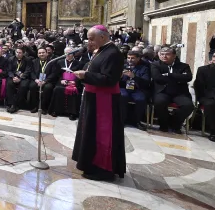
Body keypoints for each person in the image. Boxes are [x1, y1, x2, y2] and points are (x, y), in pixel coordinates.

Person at [72, 25, 126, 181]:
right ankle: (89, 164)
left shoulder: (113, 53)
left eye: (91, 38)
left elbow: (109, 79)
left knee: (102, 135)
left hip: (105, 101)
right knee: (90, 131)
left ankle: (102, 169)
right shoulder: (102, 50)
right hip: (94, 97)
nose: (89, 42)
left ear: (102, 37)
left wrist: (85, 75)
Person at [151, 46, 193, 133]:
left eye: (167, 54)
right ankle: (164, 124)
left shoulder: (183, 66)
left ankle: (175, 123)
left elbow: (188, 77)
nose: (164, 56)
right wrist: (179, 78)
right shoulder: (155, 65)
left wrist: (170, 75)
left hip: (179, 92)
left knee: (188, 106)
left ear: (174, 56)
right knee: (159, 102)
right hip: (163, 91)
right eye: (162, 54)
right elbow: (157, 78)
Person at [194, 48, 215, 143]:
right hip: (209, 97)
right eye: (214, 56)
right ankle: (213, 131)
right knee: (210, 105)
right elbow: (200, 88)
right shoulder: (203, 70)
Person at [49, 47, 84, 120]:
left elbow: (80, 74)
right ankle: (56, 110)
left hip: (73, 82)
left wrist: (75, 81)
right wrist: (61, 80)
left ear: (73, 54)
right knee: (57, 89)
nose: (68, 55)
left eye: (70, 53)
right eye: (66, 53)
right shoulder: (60, 62)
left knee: (74, 91)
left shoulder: (79, 63)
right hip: (62, 81)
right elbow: (57, 74)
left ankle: (72, 113)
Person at [119, 51, 151, 130]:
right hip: (124, 88)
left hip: (137, 89)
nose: (130, 60)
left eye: (132, 58)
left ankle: (137, 121)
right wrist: (119, 76)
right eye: (128, 58)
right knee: (122, 96)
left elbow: (146, 82)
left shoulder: (144, 68)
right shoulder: (122, 66)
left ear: (138, 58)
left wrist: (134, 76)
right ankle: (121, 120)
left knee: (140, 99)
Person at [28, 47, 59, 114]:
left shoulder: (51, 62)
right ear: (37, 54)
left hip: (47, 81)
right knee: (32, 86)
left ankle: (43, 107)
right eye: (40, 53)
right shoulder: (34, 61)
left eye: (43, 52)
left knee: (48, 88)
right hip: (37, 80)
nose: (41, 54)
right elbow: (31, 72)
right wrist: (36, 80)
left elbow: (54, 73)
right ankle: (35, 106)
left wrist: (45, 81)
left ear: (46, 53)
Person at [5, 48, 31, 113]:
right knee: (9, 84)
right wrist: (13, 77)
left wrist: (20, 78)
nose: (18, 54)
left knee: (23, 86)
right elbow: (9, 70)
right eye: (17, 52)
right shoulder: (11, 59)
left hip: (23, 77)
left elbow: (28, 71)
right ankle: (10, 103)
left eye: (20, 53)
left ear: (23, 53)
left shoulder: (27, 60)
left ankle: (17, 104)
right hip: (13, 76)